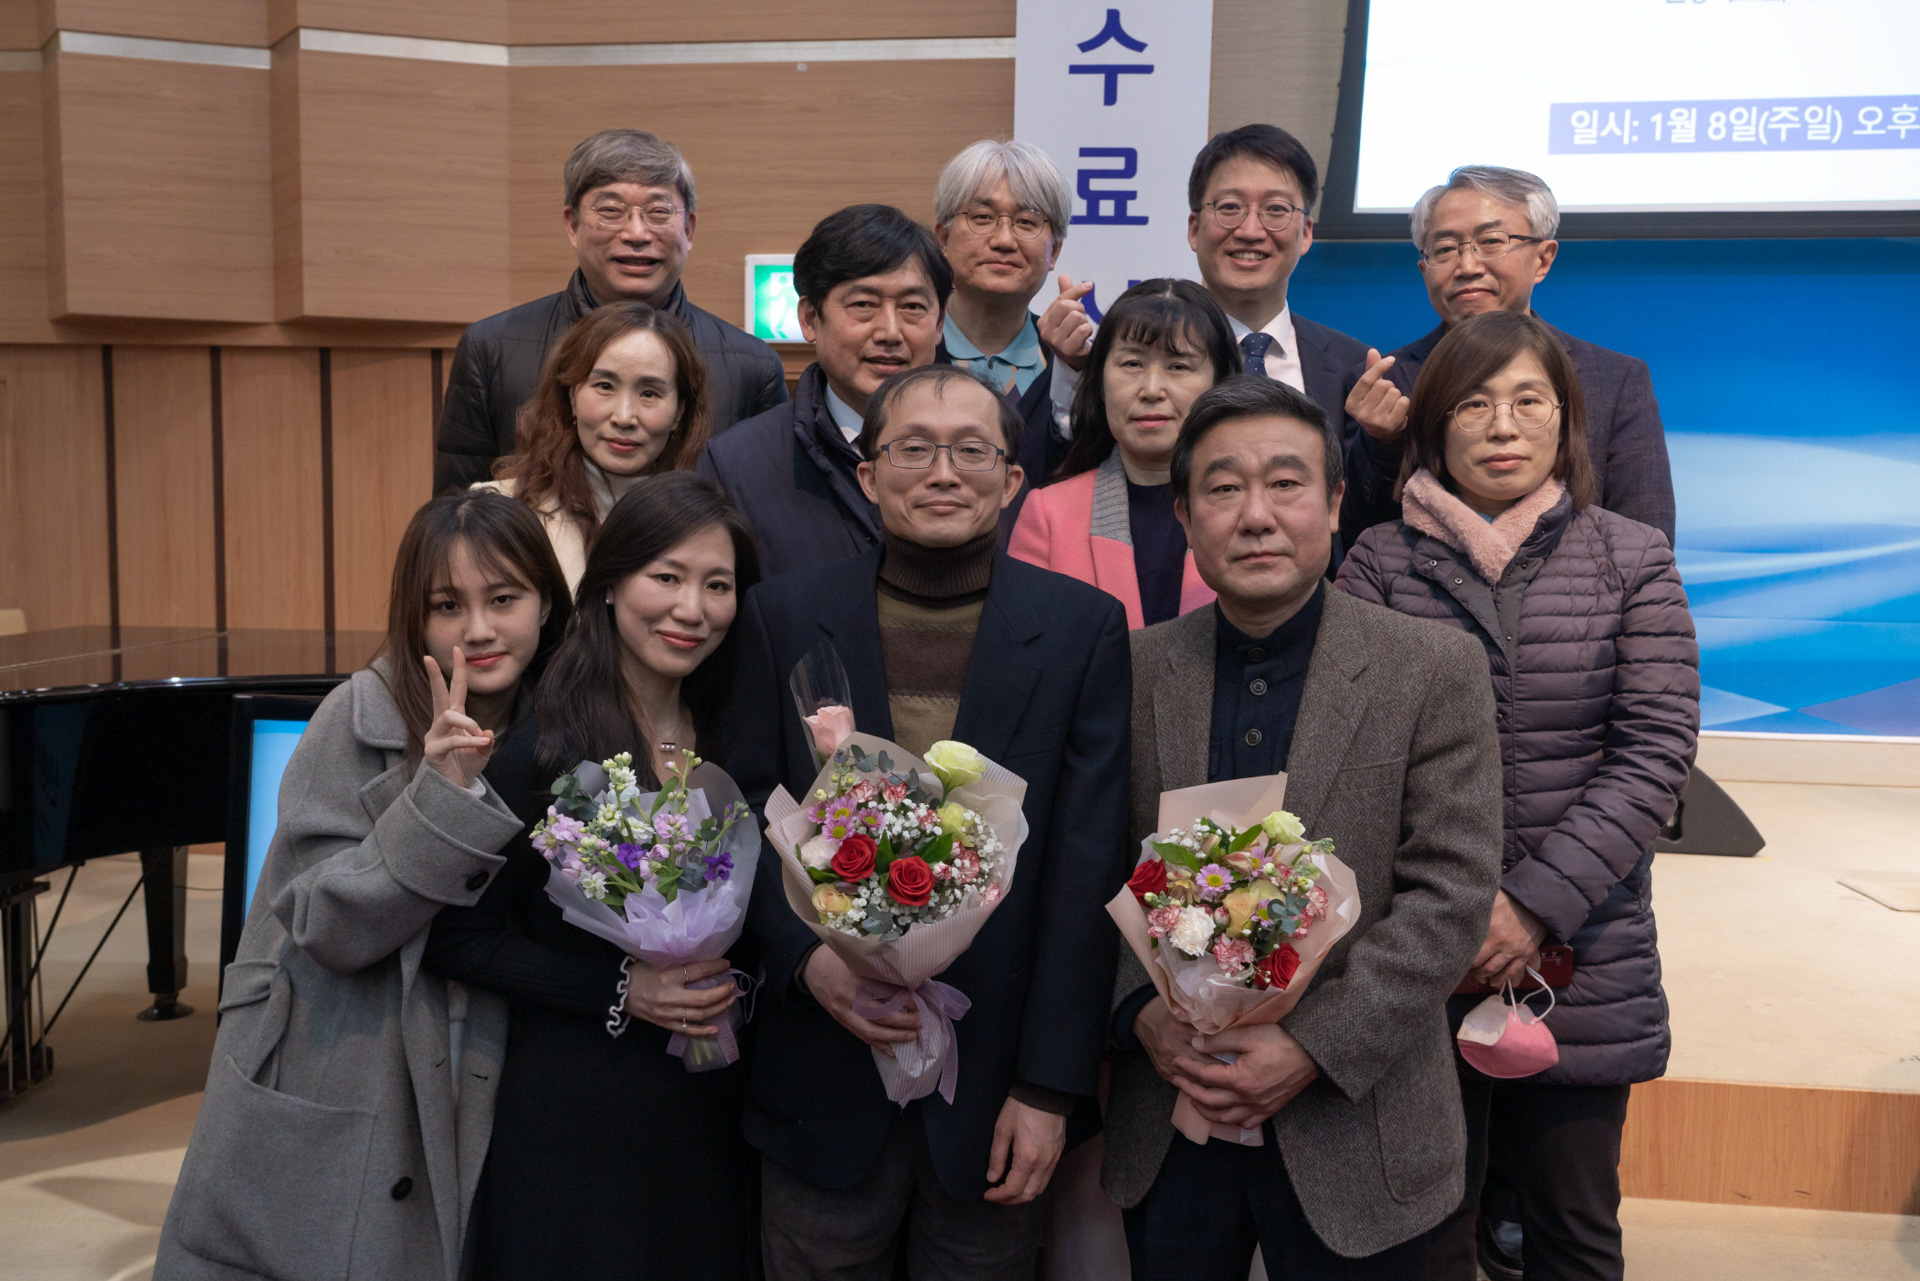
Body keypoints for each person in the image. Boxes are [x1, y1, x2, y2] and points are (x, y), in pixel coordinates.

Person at [726, 364, 1132, 1279]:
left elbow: (1084, 870)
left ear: (1011, 480)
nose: (943, 472)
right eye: (913, 449)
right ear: (869, 475)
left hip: (995, 1094)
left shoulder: (1082, 629)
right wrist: (808, 961)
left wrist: (1048, 1087)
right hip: (822, 1072)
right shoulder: (783, 614)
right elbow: (746, 810)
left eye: (971, 451)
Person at [1103, 376, 1505, 1279]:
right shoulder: (1132, 670)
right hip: (1172, 1113)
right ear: (1184, 514)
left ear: (1332, 503)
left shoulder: (1431, 668)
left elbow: (1451, 892)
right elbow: (1086, 868)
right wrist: (1141, 1013)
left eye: (1286, 483)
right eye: (1223, 487)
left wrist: (1312, 1046)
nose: (1256, 515)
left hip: (1361, 1124)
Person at [1337, 311, 1698, 1281]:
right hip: (1420, 955)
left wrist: (1532, 905)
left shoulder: (1632, 558)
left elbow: (1655, 751)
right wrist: (1456, 915)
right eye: (1474, 403)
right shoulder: (1376, 565)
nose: (1503, 424)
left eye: (1528, 400)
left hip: (1585, 954)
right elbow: (1357, 761)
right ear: (1434, 427)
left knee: (1572, 1231)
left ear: (1565, 421)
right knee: (1425, 1233)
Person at [155, 493, 570, 1281]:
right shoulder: (356, 714)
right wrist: (439, 799)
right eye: (447, 606)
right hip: (343, 1058)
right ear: (415, 616)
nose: (478, 629)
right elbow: (324, 925)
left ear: (546, 602)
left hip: (492, 1060)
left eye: (504, 598)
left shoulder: (565, 725)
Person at [424, 473, 762, 1280]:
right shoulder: (545, 744)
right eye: (666, 577)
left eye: (717, 585)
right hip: (578, 1114)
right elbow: (457, 935)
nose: (691, 608)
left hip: (711, 1110)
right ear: (610, 584)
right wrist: (620, 987)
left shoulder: (738, 733)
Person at [1340, 165, 1675, 551]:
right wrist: (1381, 446)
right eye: (1445, 249)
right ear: (1423, 269)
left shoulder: (1615, 380)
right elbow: (1355, 543)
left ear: (1543, 259)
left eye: (1491, 241)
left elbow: (1646, 545)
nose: (1467, 267)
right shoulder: (1383, 384)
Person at [434, 129, 785, 493]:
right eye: (611, 211)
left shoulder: (753, 367)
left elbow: (764, 512)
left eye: (659, 212)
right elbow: (456, 513)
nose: (636, 233)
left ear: (689, 229)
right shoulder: (490, 348)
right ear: (572, 224)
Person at [1039, 125, 1370, 427]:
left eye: (1276, 209)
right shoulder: (1128, 355)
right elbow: (1076, 453)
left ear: (1306, 233)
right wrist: (1072, 367)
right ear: (1194, 228)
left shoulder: (1352, 367)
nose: (1250, 231)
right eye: (1230, 207)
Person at [699, 204, 951, 581]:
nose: (890, 332)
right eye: (863, 305)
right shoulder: (735, 463)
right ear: (809, 318)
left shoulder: (981, 454)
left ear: (939, 323)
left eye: (913, 307)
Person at [1009, 278, 1238, 629]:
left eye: (1178, 366)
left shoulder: (1254, 508)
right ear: (1099, 380)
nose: (1151, 389)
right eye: (1132, 364)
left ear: (1219, 384)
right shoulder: (1048, 513)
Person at [476, 301, 709, 589]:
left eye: (649, 393)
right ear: (572, 396)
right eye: (605, 386)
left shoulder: (708, 526)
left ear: (679, 413)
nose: (624, 417)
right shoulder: (498, 512)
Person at [931, 139, 1075, 526]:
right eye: (982, 217)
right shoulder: (906, 353)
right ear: (943, 238)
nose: (1004, 240)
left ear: (1055, 251)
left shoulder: (1074, 367)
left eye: (1027, 222)